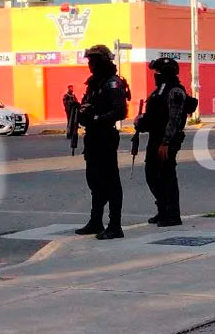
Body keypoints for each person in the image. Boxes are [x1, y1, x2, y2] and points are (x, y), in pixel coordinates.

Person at [76, 44, 130, 240]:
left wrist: (97, 117)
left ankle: (115, 225)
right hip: (92, 137)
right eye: (89, 60)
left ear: (103, 62)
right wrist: (82, 112)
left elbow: (120, 111)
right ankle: (95, 221)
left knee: (111, 182)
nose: (90, 64)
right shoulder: (93, 84)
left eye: (93, 61)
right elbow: (86, 107)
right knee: (94, 179)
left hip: (105, 136)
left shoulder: (112, 83)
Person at [136, 57, 190, 227]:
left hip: (167, 141)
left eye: (158, 72)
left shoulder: (175, 91)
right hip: (155, 138)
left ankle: (173, 214)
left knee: (166, 177)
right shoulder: (158, 91)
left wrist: (166, 142)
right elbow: (154, 115)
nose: (155, 75)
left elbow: (174, 119)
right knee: (152, 175)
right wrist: (141, 121)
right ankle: (162, 210)